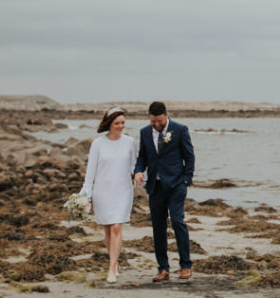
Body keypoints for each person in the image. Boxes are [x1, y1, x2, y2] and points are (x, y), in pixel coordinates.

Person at [133, 101, 195, 281]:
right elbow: (142, 157)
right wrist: (138, 171)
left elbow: (189, 157)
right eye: (153, 122)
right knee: (158, 227)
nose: (157, 125)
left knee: (177, 222)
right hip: (155, 187)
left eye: (159, 121)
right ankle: (163, 268)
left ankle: (185, 265)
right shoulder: (145, 132)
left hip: (176, 185)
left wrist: (185, 180)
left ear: (166, 115)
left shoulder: (180, 129)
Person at [80, 106, 136, 283]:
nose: (120, 126)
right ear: (109, 124)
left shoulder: (130, 142)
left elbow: (134, 166)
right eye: (117, 123)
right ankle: (115, 261)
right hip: (103, 192)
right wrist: (85, 194)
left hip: (123, 190)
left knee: (117, 227)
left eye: (123, 123)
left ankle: (112, 267)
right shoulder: (98, 144)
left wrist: (141, 176)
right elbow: (91, 172)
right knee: (107, 230)